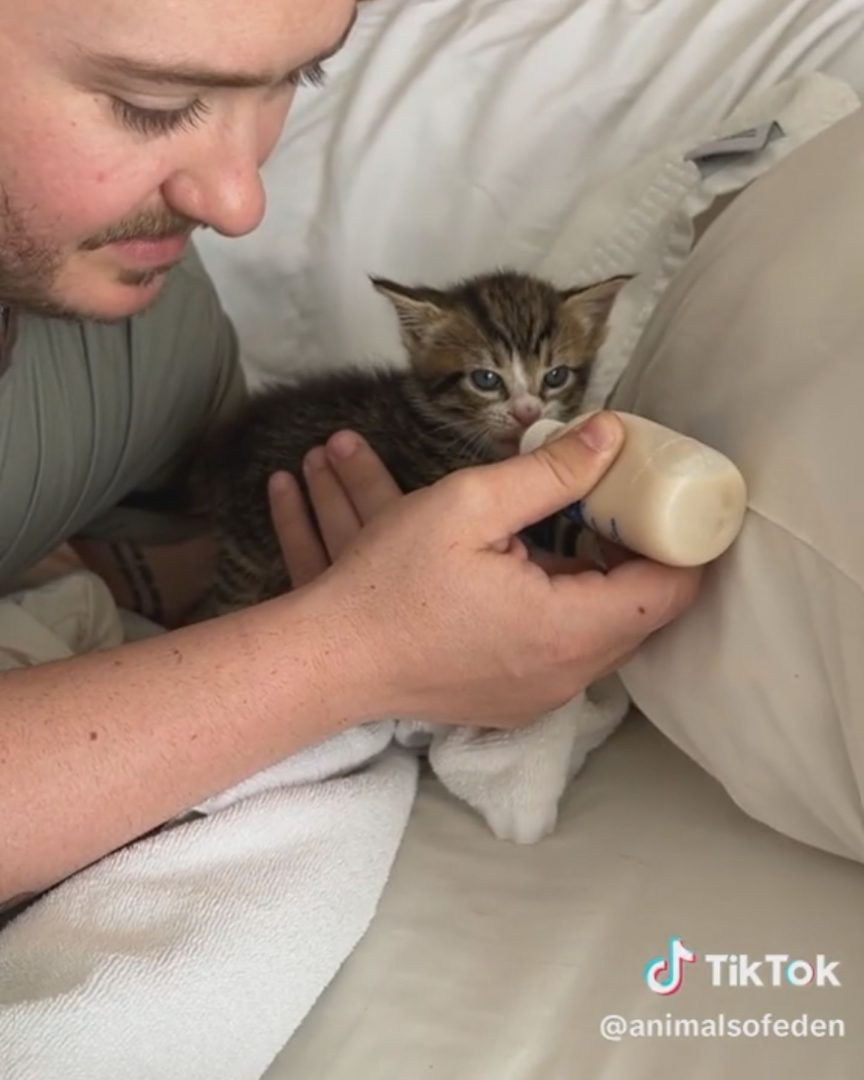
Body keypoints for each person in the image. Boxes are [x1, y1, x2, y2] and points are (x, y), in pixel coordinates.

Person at [0, 0, 700, 910]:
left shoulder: (145, 321)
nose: (240, 201)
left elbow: (151, 577)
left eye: (298, 77)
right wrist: (352, 652)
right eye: (153, 100)